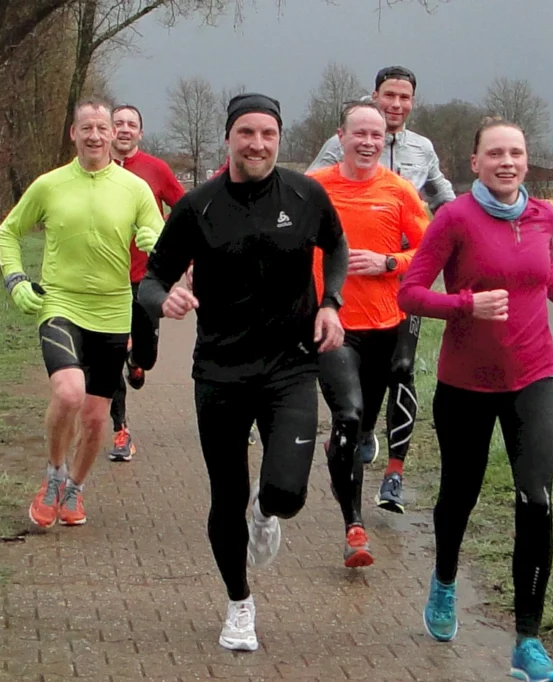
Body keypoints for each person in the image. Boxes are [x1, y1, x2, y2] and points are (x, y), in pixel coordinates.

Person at [139, 93, 347, 652]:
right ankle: (239, 603)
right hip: (221, 370)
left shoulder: (305, 195)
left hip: (290, 365)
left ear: (279, 139)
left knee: (288, 493)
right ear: (229, 138)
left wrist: (331, 303)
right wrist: (164, 300)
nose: (257, 144)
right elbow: (152, 278)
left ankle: (267, 509)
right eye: (246, 133)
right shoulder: (198, 206)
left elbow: (337, 245)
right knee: (226, 493)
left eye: (267, 134)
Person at [397, 117, 553, 682]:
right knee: (459, 495)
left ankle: (527, 642)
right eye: (495, 153)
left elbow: (544, 274)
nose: (506, 162)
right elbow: (410, 293)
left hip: (534, 376)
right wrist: (467, 304)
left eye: (515, 153)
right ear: (475, 163)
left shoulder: (543, 215)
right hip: (465, 384)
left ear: (526, 161)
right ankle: (444, 581)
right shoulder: (455, 218)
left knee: (536, 501)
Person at [0, 97, 164, 529]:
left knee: (93, 418)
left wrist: (155, 242)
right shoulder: (49, 185)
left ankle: (75, 488)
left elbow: (163, 239)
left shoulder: (134, 189)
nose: (94, 135)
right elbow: (9, 232)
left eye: (101, 128)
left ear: (113, 135)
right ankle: (54, 475)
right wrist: (15, 280)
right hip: (60, 304)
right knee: (69, 393)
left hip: (112, 311)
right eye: (86, 127)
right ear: (73, 134)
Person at [309, 65, 455, 514]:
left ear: (412, 103)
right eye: (389, 95)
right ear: (375, 97)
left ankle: (394, 474)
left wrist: (464, 229)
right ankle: (357, 434)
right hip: (346, 292)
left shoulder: (421, 150)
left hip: (402, 280)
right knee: (354, 400)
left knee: (403, 368)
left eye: (404, 97)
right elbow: (307, 199)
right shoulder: (340, 145)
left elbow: (444, 201)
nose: (396, 104)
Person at [308, 101, 428, 565]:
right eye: (359, 133)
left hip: (384, 325)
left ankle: (348, 452)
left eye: (377, 136)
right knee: (349, 415)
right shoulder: (315, 188)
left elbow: (429, 252)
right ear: (340, 137)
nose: (368, 142)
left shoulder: (398, 191)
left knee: (361, 431)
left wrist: (388, 262)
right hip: (333, 325)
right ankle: (354, 527)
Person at [107, 104, 186, 462]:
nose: (124, 129)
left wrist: (176, 251)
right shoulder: (96, 171)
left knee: (147, 357)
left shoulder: (156, 169)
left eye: (131, 124)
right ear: (109, 130)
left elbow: (185, 212)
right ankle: (120, 430)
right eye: (118, 123)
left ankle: (136, 358)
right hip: (105, 283)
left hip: (145, 280)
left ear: (140, 132)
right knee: (108, 357)